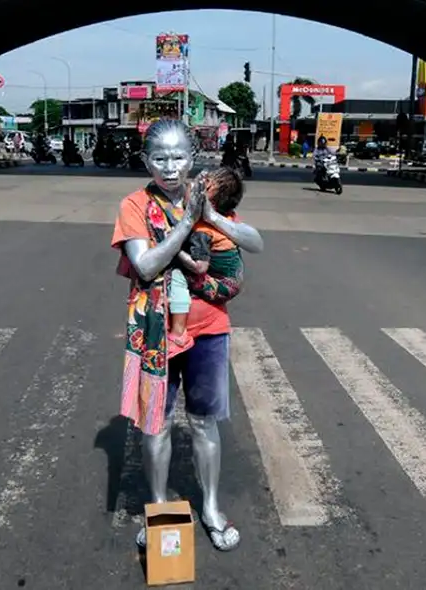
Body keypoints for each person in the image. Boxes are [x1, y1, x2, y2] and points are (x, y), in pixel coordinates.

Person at [111, 119, 263, 553]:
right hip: (155, 332)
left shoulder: (206, 196)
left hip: (208, 329)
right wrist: (185, 225)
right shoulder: (135, 205)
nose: (170, 167)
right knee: (156, 424)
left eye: (179, 157)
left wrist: (210, 216)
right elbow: (145, 265)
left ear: (192, 159)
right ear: (146, 161)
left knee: (203, 421)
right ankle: (159, 509)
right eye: (159, 158)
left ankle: (211, 507)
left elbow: (256, 243)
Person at [167, 166, 246, 358]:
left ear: (207, 200)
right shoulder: (226, 219)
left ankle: (178, 333)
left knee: (176, 276)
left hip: (222, 286)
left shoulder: (203, 231)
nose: (192, 185)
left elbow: (200, 267)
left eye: (201, 185)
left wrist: (174, 249)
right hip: (233, 279)